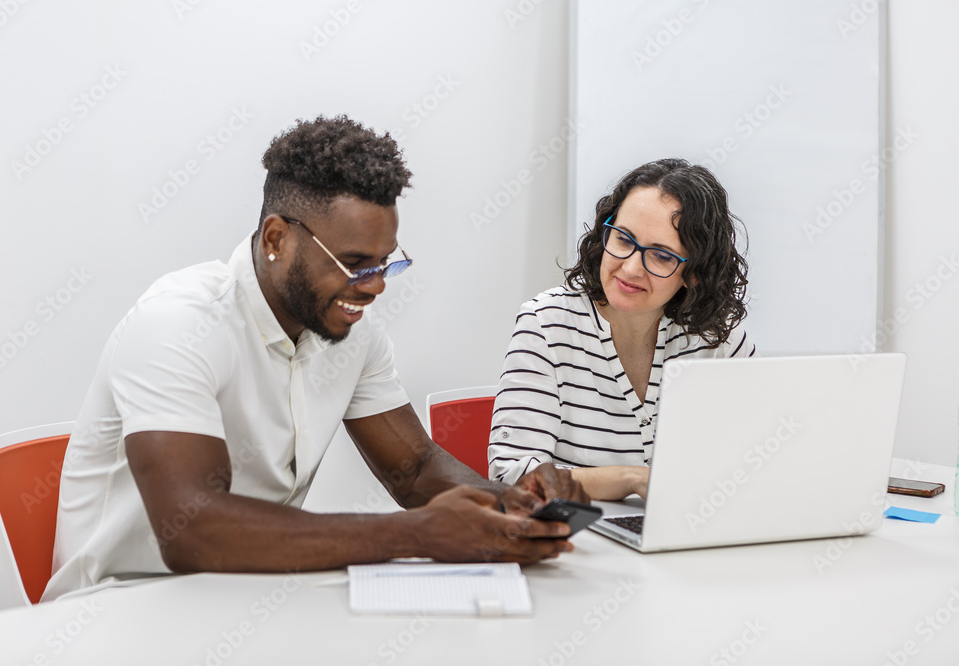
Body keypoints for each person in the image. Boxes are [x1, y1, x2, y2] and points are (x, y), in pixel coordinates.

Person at [43, 115, 585, 601]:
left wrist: (515, 500)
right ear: (277, 238)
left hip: (250, 596)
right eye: (354, 264)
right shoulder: (178, 324)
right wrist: (415, 535)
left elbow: (415, 470)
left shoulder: (355, 336)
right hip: (117, 611)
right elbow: (191, 530)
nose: (374, 288)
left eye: (384, 263)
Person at [488, 158, 755, 501]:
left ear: (695, 273)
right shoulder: (546, 323)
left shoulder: (719, 339)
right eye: (624, 239)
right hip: (579, 540)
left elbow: (762, 458)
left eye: (660, 256)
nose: (630, 268)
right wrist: (631, 479)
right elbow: (512, 475)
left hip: (687, 530)